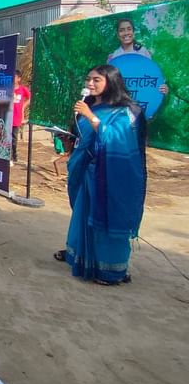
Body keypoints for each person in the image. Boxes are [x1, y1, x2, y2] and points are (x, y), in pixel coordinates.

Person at [55, 64, 147, 286]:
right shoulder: (87, 106)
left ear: (111, 82)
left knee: (106, 216)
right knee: (82, 213)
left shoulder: (125, 110)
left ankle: (112, 270)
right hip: (86, 170)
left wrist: (91, 118)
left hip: (110, 175)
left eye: (96, 80)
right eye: (88, 79)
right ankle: (79, 255)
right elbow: (81, 135)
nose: (90, 84)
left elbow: (118, 139)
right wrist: (68, 138)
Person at [107, 18, 168, 94]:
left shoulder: (143, 52)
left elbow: (152, 75)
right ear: (118, 35)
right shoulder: (113, 57)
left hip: (141, 95)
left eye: (129, 29)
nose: (126, 33)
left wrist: (163, 87)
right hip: (121, 98)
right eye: (122, 30)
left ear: (133, 32)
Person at [11, 71, 31, 163]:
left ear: (19, 79)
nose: (13, 78)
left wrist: (23, 106)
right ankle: (8, 156)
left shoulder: (23, 89)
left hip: (17, 117)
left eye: (15, 77)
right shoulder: (8, 89)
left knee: (14, 138)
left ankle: (14, 155)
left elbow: (30, 98)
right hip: (8, 116)